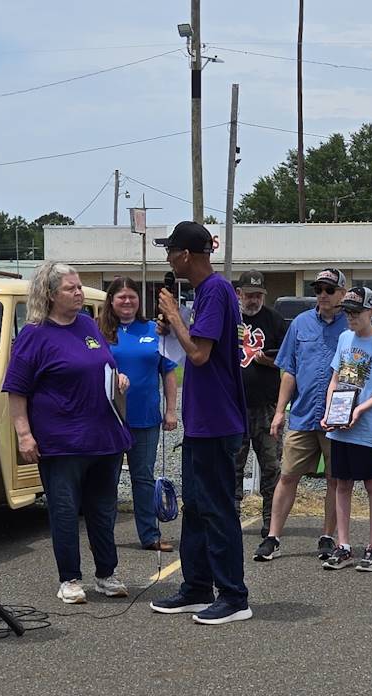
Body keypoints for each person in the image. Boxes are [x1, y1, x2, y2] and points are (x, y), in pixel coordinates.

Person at [3, 262, 132, 605]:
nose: (78, 292)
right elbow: (17, 390)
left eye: (79, 287)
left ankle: (106, 574)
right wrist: (24, 435)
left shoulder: (88, 325)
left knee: (103, 510)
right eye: (70, 288)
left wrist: (118, 379)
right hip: (61, 442)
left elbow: (105, 365)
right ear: (49, 294)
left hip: (104, 438)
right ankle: (70, 579)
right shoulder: (34, 335)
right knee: (64, 511)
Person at [149, 221, 252, 625]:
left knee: (217, 508)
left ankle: (234, 596)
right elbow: (191, 345)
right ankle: (196, 587)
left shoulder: (214, 290)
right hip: (202, 421)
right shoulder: (207, 293)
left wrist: (175, 316)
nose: (168, 258)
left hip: (217, 420)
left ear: (186, 254)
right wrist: (174, 326)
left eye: (170, 251)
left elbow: (200, 355)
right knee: (195, 506)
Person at [253, 268, 347, 563]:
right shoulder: (301, 324)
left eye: (329, 290)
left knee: (335, 480)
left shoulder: (351, 327)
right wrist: (280, 412)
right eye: (318, 289)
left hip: (337, 420)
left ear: (342, 293)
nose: (322, 295)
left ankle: (328, 536)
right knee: (288, 475)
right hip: (303, 415)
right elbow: (289, 371)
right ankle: (273, 537)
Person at [97, 277, 178, 552]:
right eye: (121, 297)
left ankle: (150, 535)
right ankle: (103, 535)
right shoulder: (100, 332)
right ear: (111, 301)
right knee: (106, 479)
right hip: (108, 419)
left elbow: (167, 373)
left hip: (145, 419)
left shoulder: (154, 330)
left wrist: (170, 411)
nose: (127, 302)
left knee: (142, 478)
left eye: (132, 296)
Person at [319, 286, 372, 572]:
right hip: (340, 424)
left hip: (366, 427)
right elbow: (335, 379)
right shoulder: (344, 338)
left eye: (356, 312)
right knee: (342, 483)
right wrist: (329, 411)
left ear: (371, 311)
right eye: (347, 312)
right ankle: (344, 545)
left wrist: (362, 408)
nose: (351, 317)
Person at [234, 270, 288, 538]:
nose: (253, 300)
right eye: (249, 295)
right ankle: (231, 519)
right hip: (234, 407)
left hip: (267, 406)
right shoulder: (228, 319)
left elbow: (289, 359)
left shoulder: (275, 320)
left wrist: (270, 361)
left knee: (271, 467)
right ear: (239, 294)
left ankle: (271, 522)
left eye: (258, 295)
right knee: (233, 466)